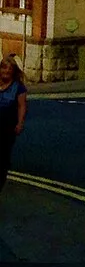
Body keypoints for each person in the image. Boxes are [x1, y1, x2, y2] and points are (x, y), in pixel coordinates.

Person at [0, 55, 24, 200]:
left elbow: (22, 106)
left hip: (7, 128)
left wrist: (20, 123)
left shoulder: (18, 87)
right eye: (4, 68)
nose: (6, 71)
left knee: (2, 159)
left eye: (10, 69)